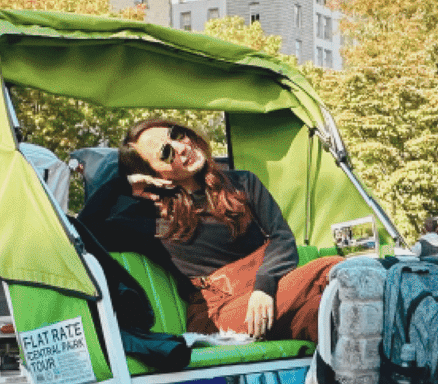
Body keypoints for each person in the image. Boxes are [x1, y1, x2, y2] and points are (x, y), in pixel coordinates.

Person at [118, 117, 341, 343]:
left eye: (176, 135)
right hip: (218, 312)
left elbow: (281, 238)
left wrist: (263, 287)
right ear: (153, 174)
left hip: (269, 295)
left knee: (324, 315)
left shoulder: (241, 183)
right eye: (166, 153)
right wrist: (126, 182)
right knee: (335, 269)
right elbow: (95, 219)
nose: (182, 148)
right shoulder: (149, 215)